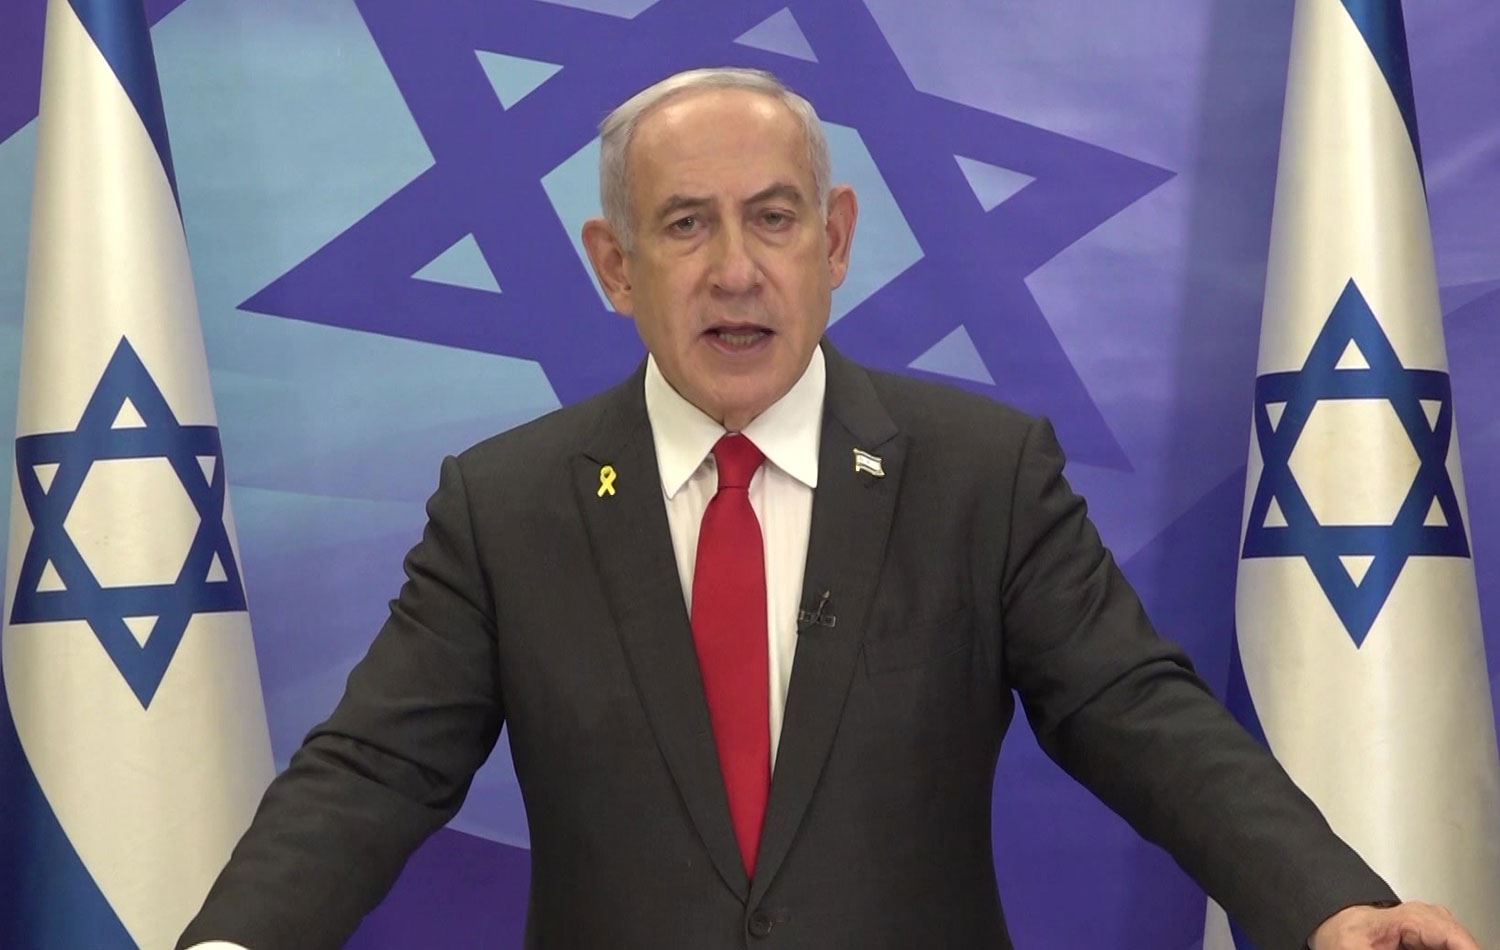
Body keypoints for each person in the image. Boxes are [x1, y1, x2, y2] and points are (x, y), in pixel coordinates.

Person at [180, 68, 1479, 950]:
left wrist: (1326, 906)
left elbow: (1139, 715)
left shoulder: (979, 475)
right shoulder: (507, 506)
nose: (736, 270)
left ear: (837, 240)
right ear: (614, 266)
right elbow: (373, 770)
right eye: (685, 226)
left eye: (774, 218)